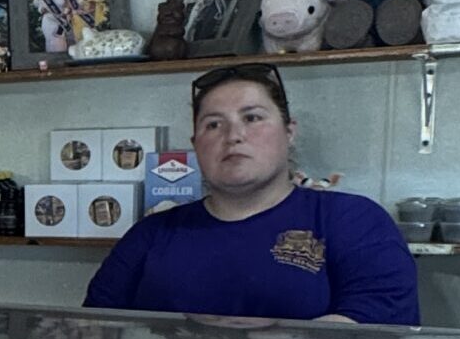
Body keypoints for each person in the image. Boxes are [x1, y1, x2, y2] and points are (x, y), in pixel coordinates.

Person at [84, 62, 419, 324]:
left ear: (289, 132)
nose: (233, 135)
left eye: (252, 117)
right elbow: (94, 334)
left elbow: (373, 332)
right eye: (213, 124)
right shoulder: (150, 235)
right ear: (196, 145)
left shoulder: (354, 221)